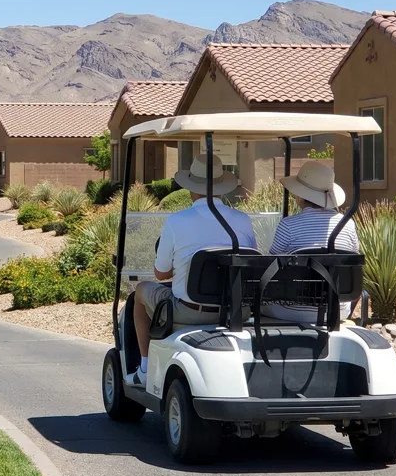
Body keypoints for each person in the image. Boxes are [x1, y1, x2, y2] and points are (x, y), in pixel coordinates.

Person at [129, 154, 257, 386]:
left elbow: (161, 274)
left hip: (190, 312)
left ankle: (145, 368)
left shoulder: (177, 221)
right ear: (221, 188)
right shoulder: (243, 220)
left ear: (190, 189)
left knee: (140, 292)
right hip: (237, 312)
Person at [263, 160, 360, 322]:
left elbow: (271, 265)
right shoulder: (348, 225)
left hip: (291, 308)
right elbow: (353, 264)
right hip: (337, 309)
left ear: (300, 195)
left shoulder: (289, 225)